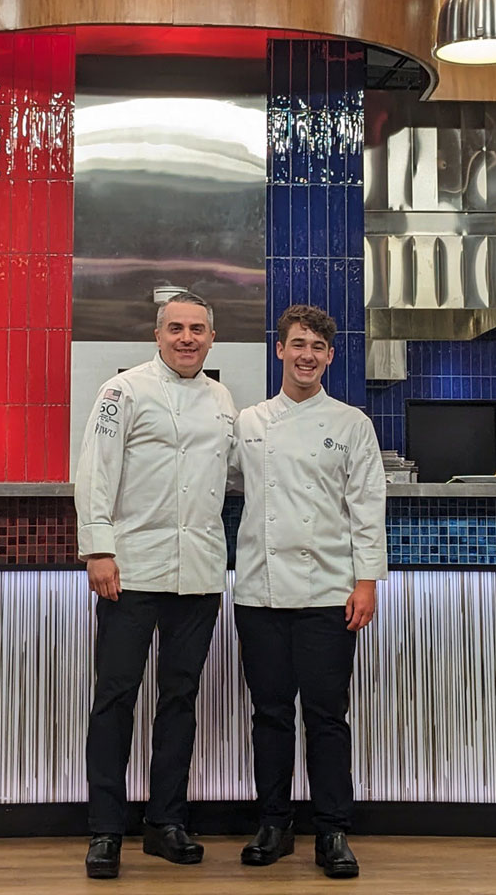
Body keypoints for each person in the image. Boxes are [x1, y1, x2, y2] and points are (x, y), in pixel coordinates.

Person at [74, 291, 238, 881]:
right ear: (157, 334)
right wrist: (98, 548)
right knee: (115, 697)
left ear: (211, 337)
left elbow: (237, 470)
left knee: (180, 699)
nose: (187, 338)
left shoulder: (222, 399)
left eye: (197, 329)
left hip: (198, 572)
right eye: (177, 329)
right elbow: (95, 468)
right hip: (132, 569)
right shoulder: (123, 390)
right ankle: (105, 830)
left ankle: (165, 823)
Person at [230, 304, 386, 880]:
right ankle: (273, 824)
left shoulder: (352, 424)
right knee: (269, 713)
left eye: (317, 347)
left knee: (326, 716)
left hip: (329, 592)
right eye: (297, 344)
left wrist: (366, 582)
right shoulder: (247, 422)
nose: (306, 355)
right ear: (279, 350)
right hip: (259, 593)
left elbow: (368, 508)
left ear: (329, 356)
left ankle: (332, 830)